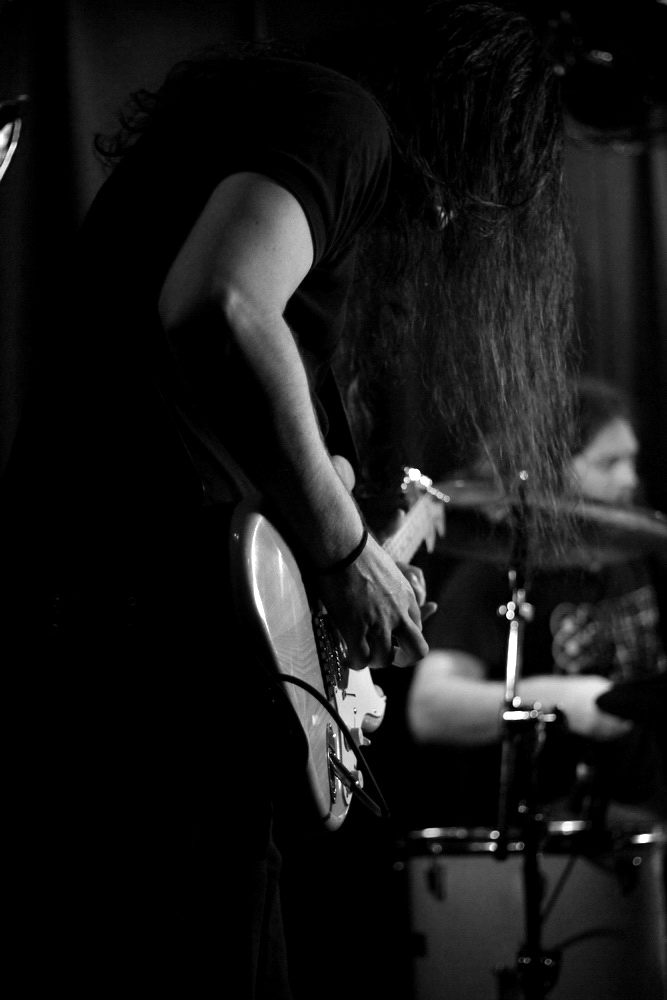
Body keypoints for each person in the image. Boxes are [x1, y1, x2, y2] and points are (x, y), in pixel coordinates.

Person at [1, 3, 577, 996]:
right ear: (460, 114)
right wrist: (348, 554)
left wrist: (343, 550)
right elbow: (221, 304)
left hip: (131, 647)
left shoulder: (285, 132)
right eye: (473, 183)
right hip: (142, 660)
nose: (452, 218)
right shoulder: (340, 117)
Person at [407, 375, 667, 829]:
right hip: (544, 828)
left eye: (631, 460)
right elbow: (429, 708)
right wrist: (562, 698)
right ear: (552, 466)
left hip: (642, 815)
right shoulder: (497, 571)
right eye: (609, 463)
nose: (630, 479)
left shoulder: (633, 554)